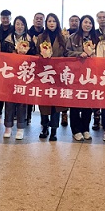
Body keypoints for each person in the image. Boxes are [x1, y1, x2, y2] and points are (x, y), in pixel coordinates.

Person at [65, 15, 99, 141]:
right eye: (85, 22)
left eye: (90, 23)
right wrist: (80, 54)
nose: (87, 25)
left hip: (90, 75)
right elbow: (67, 52)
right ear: (81, 24)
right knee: (74, 103)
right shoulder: (73, 37)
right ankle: (76, 130)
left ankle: (85, 129)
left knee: (87, 103)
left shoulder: (96, 38)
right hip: (76, 74)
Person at [36, 13, 67, 141]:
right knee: (44, 102)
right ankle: (44, 127)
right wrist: (42, 57)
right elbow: (36, 54)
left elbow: (66, 54)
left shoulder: (63, 38)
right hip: (45, 74)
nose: (51, 23)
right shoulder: (41, 37)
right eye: (49, 21)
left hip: (58, 75)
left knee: (56, 103)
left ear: (57, 23)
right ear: (46, 23)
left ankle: (54, 129)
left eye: (54, 21)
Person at [2, 15, 34, 140]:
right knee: (9, 101)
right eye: (17, 24)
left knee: (22, 102)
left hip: (24, 74)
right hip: (10, 74)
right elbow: (2, 55)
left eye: (22, 24)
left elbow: (34, 56)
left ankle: (20, 128)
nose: (19, 26)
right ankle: (8, 127)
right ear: (14, 25)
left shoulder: (30, 40)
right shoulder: (8, 40)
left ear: (25, 26)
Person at [0, 9, 13, 120]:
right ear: (0, 18)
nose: (5, 20)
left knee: (11, 88)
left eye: (7, 18)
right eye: (3, 18)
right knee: (0, 88)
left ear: (10, 18)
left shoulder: (14, 30)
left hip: (12, 63)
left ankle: (11, 112)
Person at [26, 12, 45, 123]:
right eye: (37, 18)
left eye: (41, 19)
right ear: (33, 20)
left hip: (44, 68)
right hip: (30, 66)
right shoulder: (28, 33)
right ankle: (27, 116)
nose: (38, 20)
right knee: (29, 92)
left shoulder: (46, 34)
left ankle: (44, 120)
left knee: (43, 93)